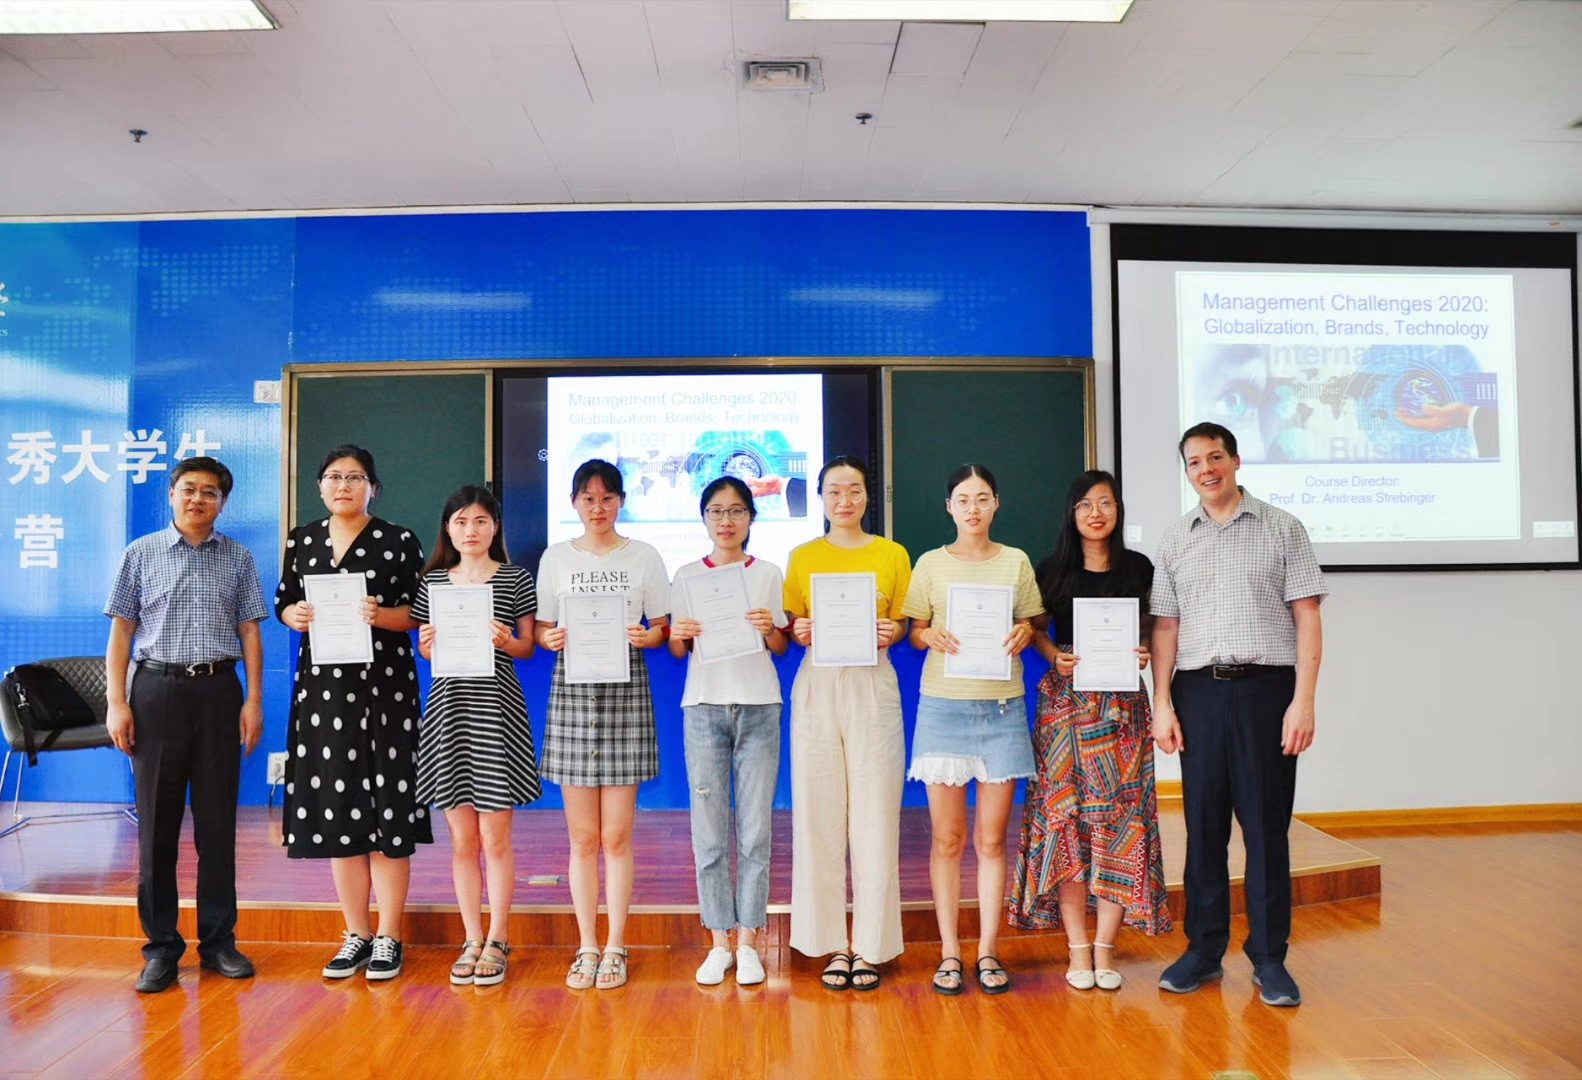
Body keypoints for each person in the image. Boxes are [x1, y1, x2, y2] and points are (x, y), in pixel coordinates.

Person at [1151, 422, 1326, 1008]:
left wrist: (1304, 700)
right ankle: (1203, 950)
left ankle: (1270, 958)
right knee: (1203, 827)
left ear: (1236, 460)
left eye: (1215, 457)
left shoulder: (1283, 527)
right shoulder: (1175, 539)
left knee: (1265, 829)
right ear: (1187, 471)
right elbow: (1166, 628)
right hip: (1197, 693)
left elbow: (1307, 616)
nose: (1206, 469)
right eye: (1194, 461)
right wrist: (1162, 703)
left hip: (1266, 694)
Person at [103, 456, 268, 994]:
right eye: (189, 489)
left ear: (223, 502)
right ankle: (160, 949)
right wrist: (117, 702)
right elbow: (121, 633)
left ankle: (219, 943)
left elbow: (250, 632)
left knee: (218, 825)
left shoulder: (238, 557)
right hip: (156, 692)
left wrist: (254, 701)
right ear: (171, 494)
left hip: (219, 692)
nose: (198, 499)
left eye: (210, 492)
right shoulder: (140, 553)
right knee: (157, 827)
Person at [1009, 469, 1171, 992]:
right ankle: (1077, 947)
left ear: (1118, 510)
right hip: (1066, 711)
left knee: (1121, 824)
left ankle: (1106, 947)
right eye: (1085, 505)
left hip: (1122, 712)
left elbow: (1153, 629)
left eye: (1105, 503)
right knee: (1067, 824)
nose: (1095, 513)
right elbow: (1035, 629)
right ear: (1071, 513)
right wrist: (1053, 655)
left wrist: (1142, 650)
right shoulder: (1051, 568)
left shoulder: (1140, 568)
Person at [276, 445, 431, 982]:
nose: (343, 485)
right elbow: (284, 600)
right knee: (339, 812)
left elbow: (417, 613)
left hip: (385, 691)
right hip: (324, 694)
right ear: (320, 486)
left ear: (373, 487)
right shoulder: (302, 540)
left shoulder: (398, 540)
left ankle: (389, 935)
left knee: (388, 811)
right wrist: (293, 615)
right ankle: (356, 933)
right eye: (334, 476)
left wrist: (381, 615)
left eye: (356, 477)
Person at [902, 464, 1042, 995]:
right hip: (943, 709)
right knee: (947, 839)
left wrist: (1024, 632)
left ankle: (986, 950)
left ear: (996, 503)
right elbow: (914, 632)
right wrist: (928, 637)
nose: (973, 508)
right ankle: (948, 951)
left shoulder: (1016, 561)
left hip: (1002, 711)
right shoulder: (930, 563)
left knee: (990, 839)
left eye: (983, 498)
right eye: (963, 499)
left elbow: (1033, 621)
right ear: (949, 507)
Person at [535, 459, 670, 990]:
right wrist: (548, 638)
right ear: (574, 502)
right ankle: (586, 945)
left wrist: (647, 636)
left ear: (621, 502)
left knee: (616, 836)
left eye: (607, 498)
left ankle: (616, 944)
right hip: (573, 695)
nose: (598, 508)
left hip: (624, 696)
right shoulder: (555, 557)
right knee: (582, 837)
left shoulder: (645, 556)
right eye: (588, 499)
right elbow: (543, 628)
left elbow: (661, 628)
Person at [783, 454, 911, 991]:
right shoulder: (802, 556)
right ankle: (831, 943)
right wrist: (799, 630)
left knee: (875, 816)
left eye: (854, 490)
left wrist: (892, 632)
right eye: (834, 491)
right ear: (820, 497)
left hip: (872, 683)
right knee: (818, 814)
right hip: (818, 683)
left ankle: (871, 946)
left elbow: (904, 622)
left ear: (867, 496)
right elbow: (793, 623)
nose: (844, 500)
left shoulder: (892, 554)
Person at [411, 486, 540, 987]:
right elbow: (427, 652)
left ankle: (499, 936)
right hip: (449, 712)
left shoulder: (514, 578)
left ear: (495, 527)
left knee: (495, 837)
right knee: (462, 840)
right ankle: (471, 937)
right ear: (448, 528)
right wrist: (426, 644)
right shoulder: (432, 583)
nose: (471, 530)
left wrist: (507, 641)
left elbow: (527, 647)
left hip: (496, 710)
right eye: (461, 521)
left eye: (481, 521)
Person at [668, 476, 790, 987]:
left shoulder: (767, 573)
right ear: (703, 518)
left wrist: (769, 629)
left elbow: (781, 646)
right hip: (703, 708)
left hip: (759, 706)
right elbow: (678, 651)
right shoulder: (686, 576)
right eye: (716, 511)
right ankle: (719, 941)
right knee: (710, 832)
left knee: (756, 830)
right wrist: (679, 635)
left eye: (737, 511)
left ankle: (750, 943)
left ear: (751, 519)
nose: (726, 520)